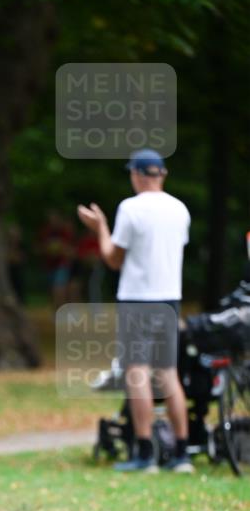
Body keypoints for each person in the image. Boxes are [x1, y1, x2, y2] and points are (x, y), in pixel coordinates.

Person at [78, 148, 192, 472]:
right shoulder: (179, 209)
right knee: (169, 373)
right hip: (170, 299)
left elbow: (113, 259)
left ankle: (145, 454)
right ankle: (182, 454)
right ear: (163, 174)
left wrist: (100, 227)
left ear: (138, 174)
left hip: (138, 300)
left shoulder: (130, 208)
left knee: (137, 373)